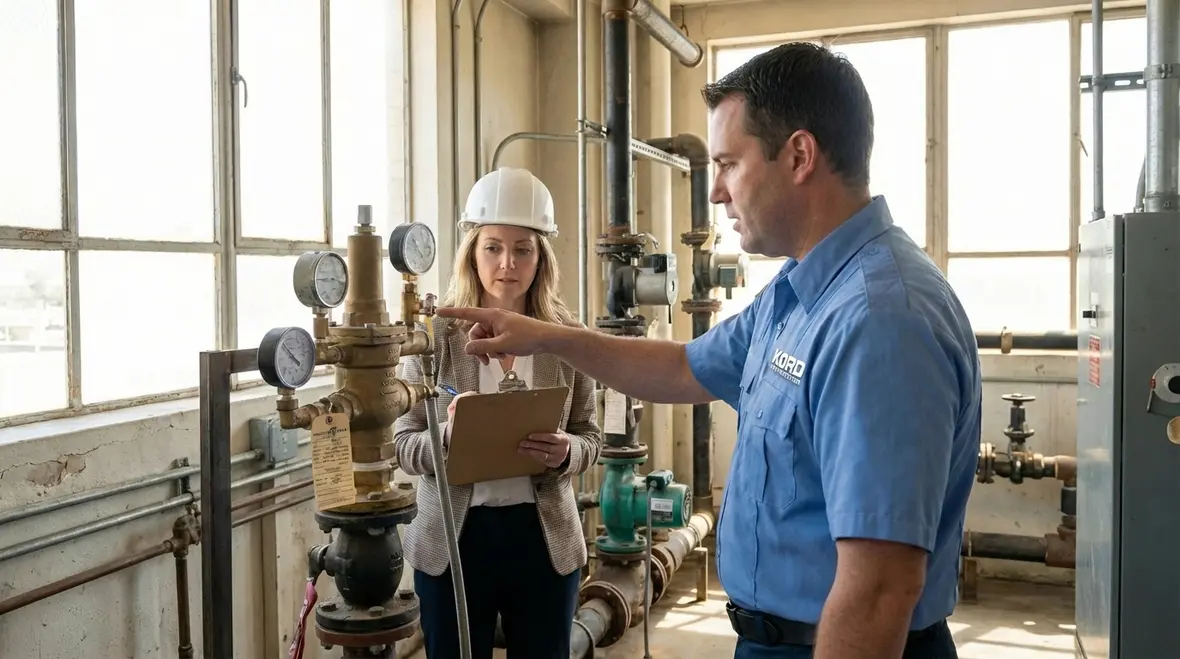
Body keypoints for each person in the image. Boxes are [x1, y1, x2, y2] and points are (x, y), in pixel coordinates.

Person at [437, 42, 980, 659]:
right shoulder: (799, 292)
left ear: (799, 155)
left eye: (728, 163)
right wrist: (547, 335)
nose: (717, 192)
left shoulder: (880, 323)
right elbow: (683, 367)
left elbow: (881, 587)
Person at [394, 167, 602, 658]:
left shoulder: (566, 336)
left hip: (543, 538)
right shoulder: (433, 337)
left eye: (522, 249)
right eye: (493, 247)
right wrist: (447, 436)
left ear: (540, 256)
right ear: (473, 252)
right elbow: (402, 446)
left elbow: (590, 436)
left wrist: (568, 451)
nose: (507, 263)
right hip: (453, 541)